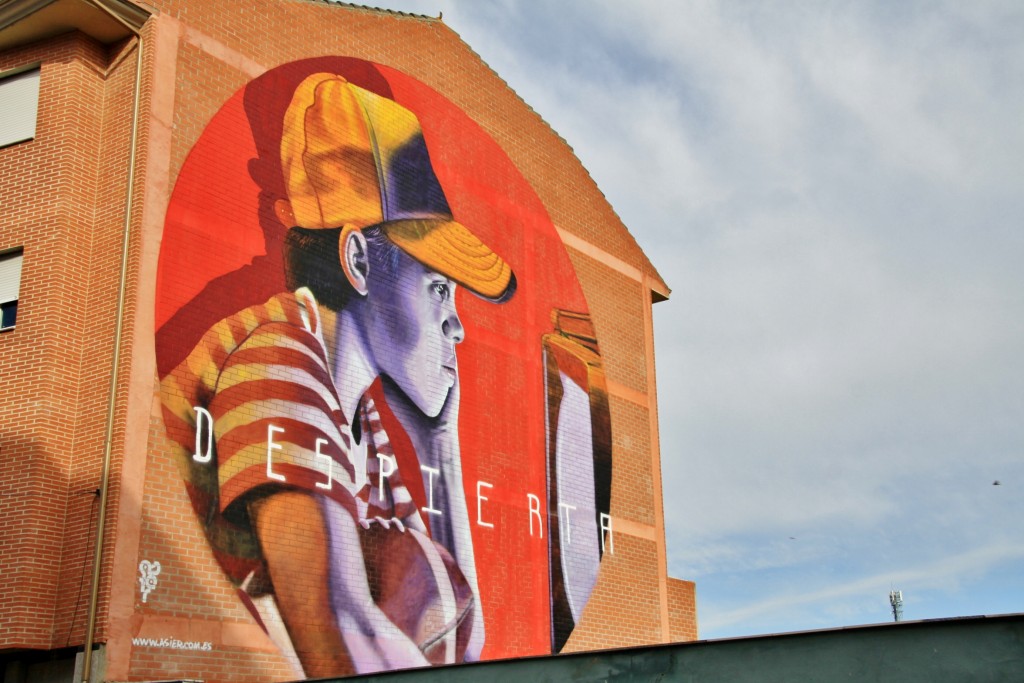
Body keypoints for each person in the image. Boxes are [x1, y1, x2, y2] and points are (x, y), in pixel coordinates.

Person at [159, 73, 515, 677]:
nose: (457, 326)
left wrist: (439, 440)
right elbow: (337, 637)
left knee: (416, 566)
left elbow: (465, 633)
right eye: (438, 289)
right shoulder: (276, 358)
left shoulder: (359, 414)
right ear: (357, 261)